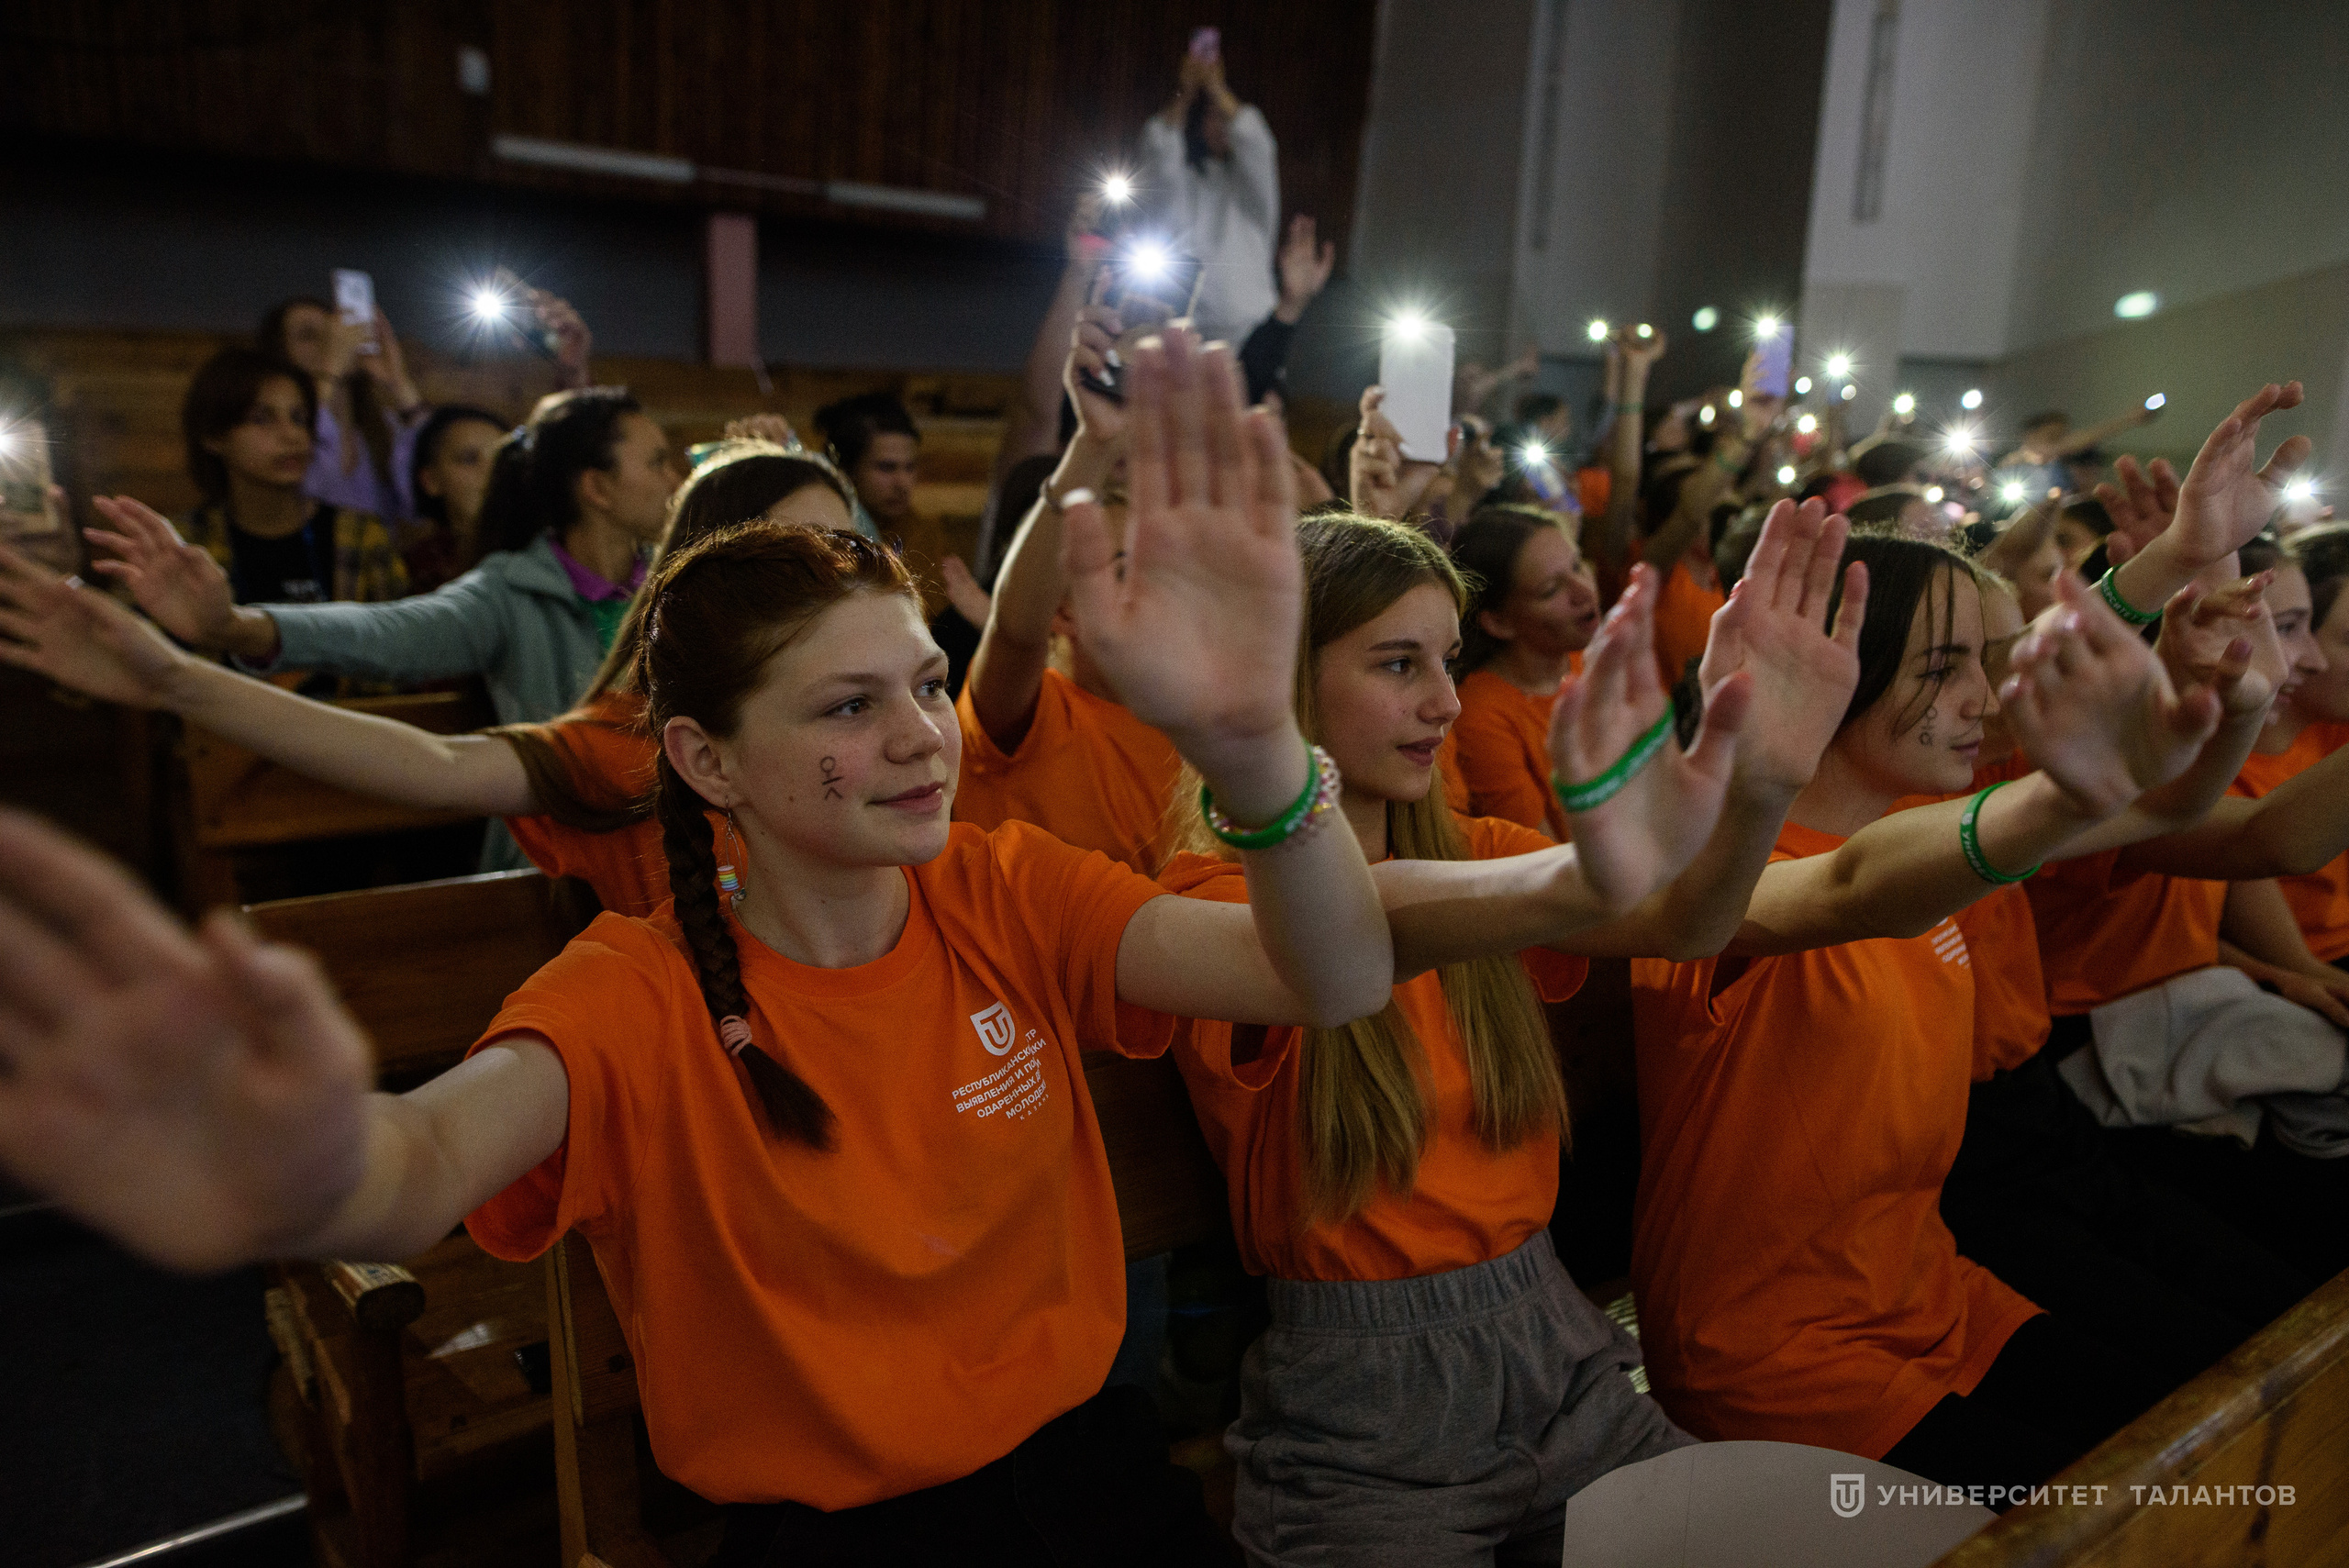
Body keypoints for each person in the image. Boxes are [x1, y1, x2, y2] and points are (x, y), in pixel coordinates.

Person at [0, 330, 1393, 1568]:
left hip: (1084, 1472)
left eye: (923, 682)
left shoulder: (1006, 888)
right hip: (836, 1539)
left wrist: (1258, 749)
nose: (922, 736)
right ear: (704, 761)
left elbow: (1328, 980)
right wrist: (278, 1139)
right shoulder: (639, 994)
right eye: (849, 707)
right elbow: (419, 1162)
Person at [1163, 498, 1886, 1566]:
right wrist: (1600, 860)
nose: (1447, 702)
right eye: (1398, 664)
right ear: (1277, 683)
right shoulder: (1215, 902)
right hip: (1368, 1412)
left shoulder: (1484, 851)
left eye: (1449, 661)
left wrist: (1765, 781)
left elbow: (1689, 922)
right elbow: (1370, 920)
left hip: (1561, 1352)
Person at [1629, 520, 2268, 1492]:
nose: (1982, 697)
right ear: (1837, 681)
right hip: (1780, 1356)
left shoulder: (1915, 827)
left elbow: (2170, 809)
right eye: (1944, 665)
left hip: (1933, 1294)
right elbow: (1851, 886)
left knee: (2225, 1443)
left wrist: (2230, 693)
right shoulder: (1720, 874)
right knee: (2148, 1509)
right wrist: (2069, 794)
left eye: (1982, 660)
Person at [0, 441, 854, 919]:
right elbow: (433, 764)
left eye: (854, 551)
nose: (840, 580)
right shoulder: (631, 741)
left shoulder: (887, 721)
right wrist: (185, 674)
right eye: (798, 553)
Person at [83, 386, 675, 737]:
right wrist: (234, 626)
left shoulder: (671, 581)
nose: (675, 479)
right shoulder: (512, 591)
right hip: (570, 861)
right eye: (655, 463)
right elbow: (388, 632)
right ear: (595, 487)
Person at [952, 297, 1180, 875]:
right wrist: (1095, 443)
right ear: (1064, 609)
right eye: (1125, 568)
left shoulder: (1205, 731)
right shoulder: (1033, 715)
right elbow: (1015, 631)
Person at [169, 346, 408, 616]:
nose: (291, 435)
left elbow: (397, 642)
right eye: (261, 419)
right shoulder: (184, 544)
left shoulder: (361, 534)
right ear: (213, 436)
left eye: (299, 419)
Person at [2222, 524, 2349, 978]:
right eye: (2289, 628)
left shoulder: (2331, 734)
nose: (2310, 658)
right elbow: (2274, 842)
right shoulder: (2209, 773)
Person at [1442, 505, 1600, 839]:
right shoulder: (1482, 714)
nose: (1585, 591)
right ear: (1499, 622)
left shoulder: (1594, 659)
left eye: (1577, 566)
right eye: (1551, 590)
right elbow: (1544, 857)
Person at [1138, 39, 1279, 347]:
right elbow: (1159, 151)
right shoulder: (1186, 182)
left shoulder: (1254, 191)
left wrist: (1216, 87)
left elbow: (1258, 146)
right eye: (1213, 117)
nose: (1223, 126)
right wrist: (1187, 91)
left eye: (1227, 118)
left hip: (1250, 332)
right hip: (1187, 331)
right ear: (1200, 124)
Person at [260, 295, 430, 522]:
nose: (332, 343)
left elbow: (432, 488)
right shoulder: (273, 431)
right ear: (281, 352)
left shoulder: (383, 428)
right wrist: (331, 370)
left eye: (333, 333)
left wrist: (399, 383)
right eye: (308, 335)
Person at [401, 405, 509, 592]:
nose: (491, 472)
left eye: (501, 459)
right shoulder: (416, 569)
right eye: (469, 459)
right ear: (431, 480)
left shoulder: (544, 556)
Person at [812, 389, 919, 537]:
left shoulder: (922, 532)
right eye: (886, 468)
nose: (902, 484)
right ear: (847, 469)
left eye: (910, 467)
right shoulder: (826, 532)